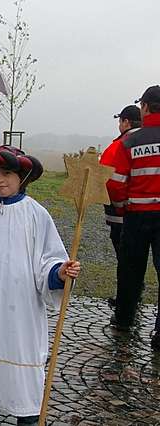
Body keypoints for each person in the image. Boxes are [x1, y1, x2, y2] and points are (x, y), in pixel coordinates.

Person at [0, 145, 81, 425]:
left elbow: (50, 258)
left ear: (22, 176)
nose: (0, 180)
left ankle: (29, 416)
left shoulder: (37, 215)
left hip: (23, 311)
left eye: (7, 173)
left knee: (23, 365)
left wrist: (59, 272)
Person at [108, 86, 160, 350]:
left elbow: (116, 182)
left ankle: (125, 320)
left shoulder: (131, 140)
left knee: (130, 270)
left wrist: (121, 207)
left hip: (137, 215)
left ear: (147, 107)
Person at [100, 105, 141, 307]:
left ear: (126, 122)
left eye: (120, 121)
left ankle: (126, 304)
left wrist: (119, 205)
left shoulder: (122, 144)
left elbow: (109, 178)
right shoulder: (149, 141)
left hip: (121, 212)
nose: (119, 125)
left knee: (126, 259)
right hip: (147, 211)